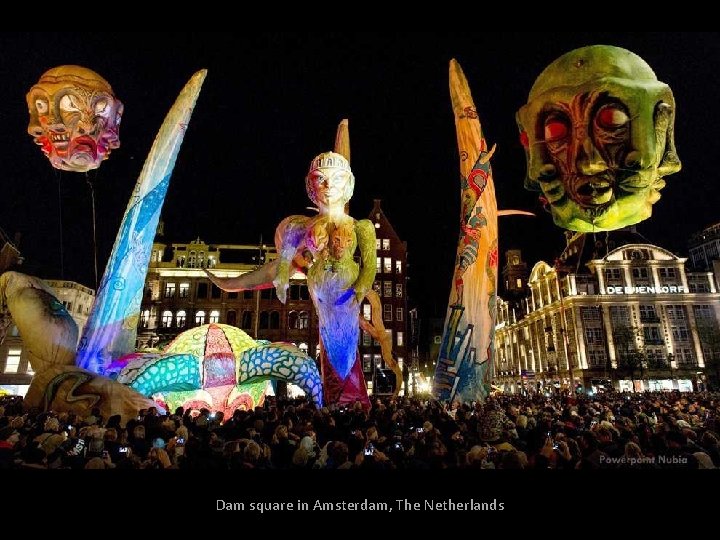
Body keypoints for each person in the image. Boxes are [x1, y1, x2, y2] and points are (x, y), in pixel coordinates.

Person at [206, 151, 376, 407]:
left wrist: (358, 291)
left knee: (345, 345)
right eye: (321, 179)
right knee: (331, 342)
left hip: (346, 294)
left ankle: (348, 398)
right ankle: (341, 399)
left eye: (337, 179)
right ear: (310, 185)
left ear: (349, 184)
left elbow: (370, 267)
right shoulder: (299, 225)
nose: (329, 187)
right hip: (323, 295)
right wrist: (282, 280)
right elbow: (284, 262)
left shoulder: (362, 227)